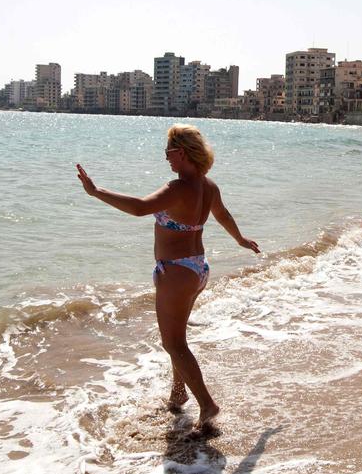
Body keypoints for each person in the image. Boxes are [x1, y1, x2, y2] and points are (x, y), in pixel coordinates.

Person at [75, 124, 259, 431]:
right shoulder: (208, 186)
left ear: (182, 152)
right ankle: (178, 392)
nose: (166, 159)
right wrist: (239, 239)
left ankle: (207, 404)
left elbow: (139, 208)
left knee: (173, 344)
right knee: (179, 339)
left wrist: (96, 192)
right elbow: (223, 214)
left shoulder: (177, 189)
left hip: (176, 272)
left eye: (168, 152)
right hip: (197, 269)